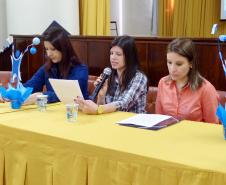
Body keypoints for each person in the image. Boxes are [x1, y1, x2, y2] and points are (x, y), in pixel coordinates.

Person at [75, 35, 148, 114]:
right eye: (111, 53)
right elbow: (101, 110)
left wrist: (98, 109)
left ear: (129, 57)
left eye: (118, 54)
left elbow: (123, 104)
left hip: (134, 123)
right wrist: (101, 95)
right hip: (113, 121)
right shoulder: (109, 74)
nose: (113, 57)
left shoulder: (139, 78)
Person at [155, 38, 219, 123]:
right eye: (169, 62)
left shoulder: (206, 89)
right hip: (166, 134)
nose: (172, 69)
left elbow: (213, 125)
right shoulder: (163, 83)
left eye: (179, 64)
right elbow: (158, 118)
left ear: (191, 63)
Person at [23, 27, 89, 104]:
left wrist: (41, 96)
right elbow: (30, 86)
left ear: (64, 48)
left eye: (53, 49)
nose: (49, 54)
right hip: (54, 112)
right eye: (47, 49)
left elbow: (67, 94)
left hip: (76, 112)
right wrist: (14, 94)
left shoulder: (80, 69)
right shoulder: (47, 67)